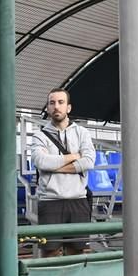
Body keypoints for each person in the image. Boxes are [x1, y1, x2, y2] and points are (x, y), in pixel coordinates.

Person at [31, 88, 95, 257]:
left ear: (69, 108)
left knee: (77, 253)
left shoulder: (82, 133)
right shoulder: (40, 135)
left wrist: (54, 167)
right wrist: (74, 157)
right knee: (49, 254)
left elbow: (88, 161)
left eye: (61, 102)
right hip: (50, 201)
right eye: (52, 103)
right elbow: (41, 162)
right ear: (48, 107)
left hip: (78, 200)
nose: (56, 106)